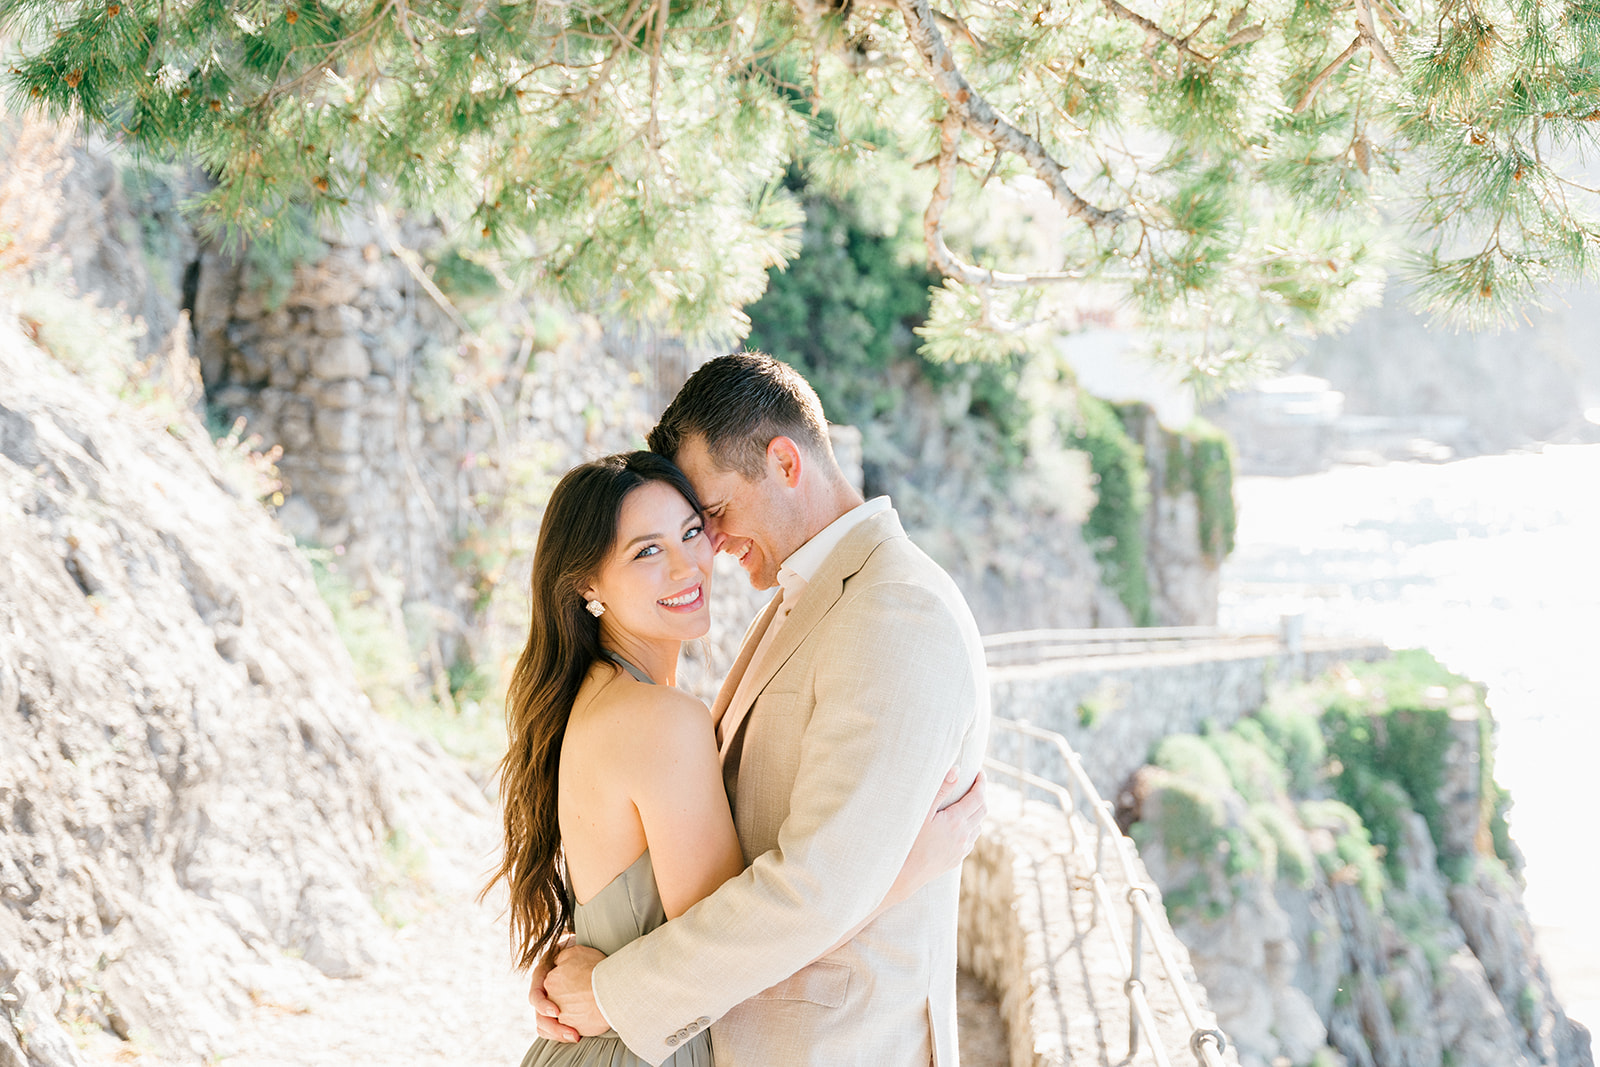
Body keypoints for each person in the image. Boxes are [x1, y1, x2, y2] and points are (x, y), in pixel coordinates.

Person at [535, 354, 991, 1067]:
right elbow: (799, 887)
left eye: (706, 517)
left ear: (784, 461)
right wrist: (608, 974)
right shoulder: (802, 598)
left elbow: (816, 890)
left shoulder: (896, 608)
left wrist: (613, 986)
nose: (707, 547)